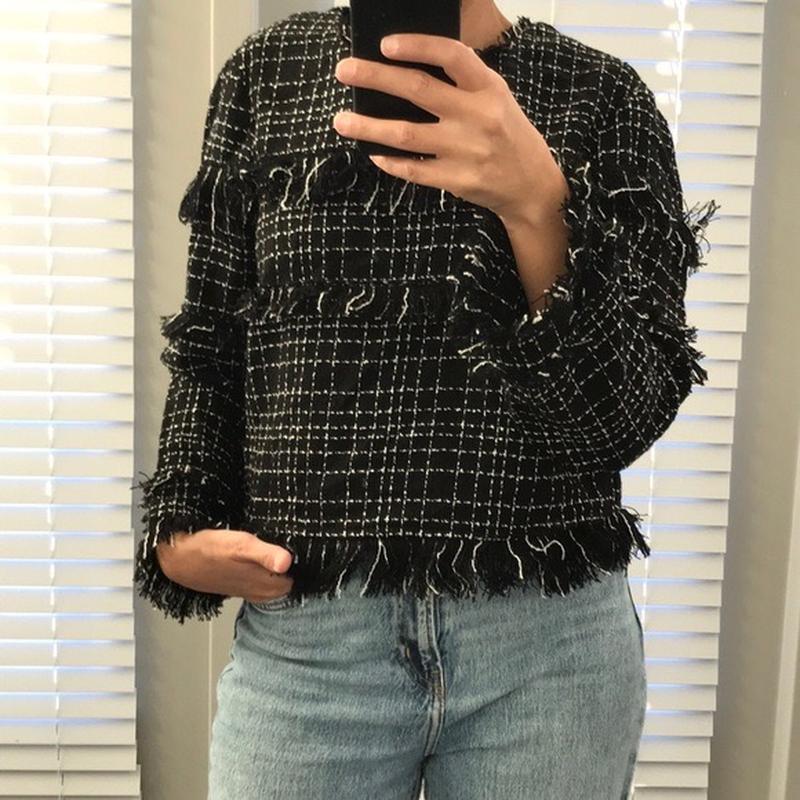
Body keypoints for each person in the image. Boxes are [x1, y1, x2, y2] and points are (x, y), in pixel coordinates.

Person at [134, 2, 719, 797]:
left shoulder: (602, 96)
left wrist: (539, 206)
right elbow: (211, 341)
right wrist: (180, 525)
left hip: (548, 645)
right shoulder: (264, 76)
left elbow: (622, 418)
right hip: (311, 636)